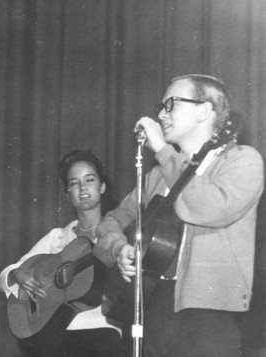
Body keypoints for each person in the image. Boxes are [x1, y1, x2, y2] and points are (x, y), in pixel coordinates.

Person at [93, 74, 264, 357]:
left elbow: (206, 207)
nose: (161, 113)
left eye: (171, 104)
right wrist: (118, 248)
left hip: (209, 312)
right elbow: (109, 222)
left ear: (204, 110)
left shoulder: (243, 160)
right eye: (161, 106)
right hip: (151, 306)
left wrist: (162, 149)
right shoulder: (157, 176)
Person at [0, 149, 124, 357]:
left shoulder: (119, 236)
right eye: (74, 183)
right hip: (53, 332)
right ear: (68, 195)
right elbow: (8, 273)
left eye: (89, 180)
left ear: (102, 186)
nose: (83, 188)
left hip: (101, 331)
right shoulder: (57, 238)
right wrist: (16, 275)